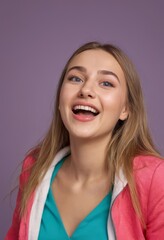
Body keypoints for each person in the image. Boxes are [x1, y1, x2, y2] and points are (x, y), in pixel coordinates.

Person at [5, 42, 164, 240]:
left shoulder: (155, 178)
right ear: (60, 100)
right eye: (75, 78)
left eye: (106, 83)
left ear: (125, 109)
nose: (86, 90)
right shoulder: (35, 167)